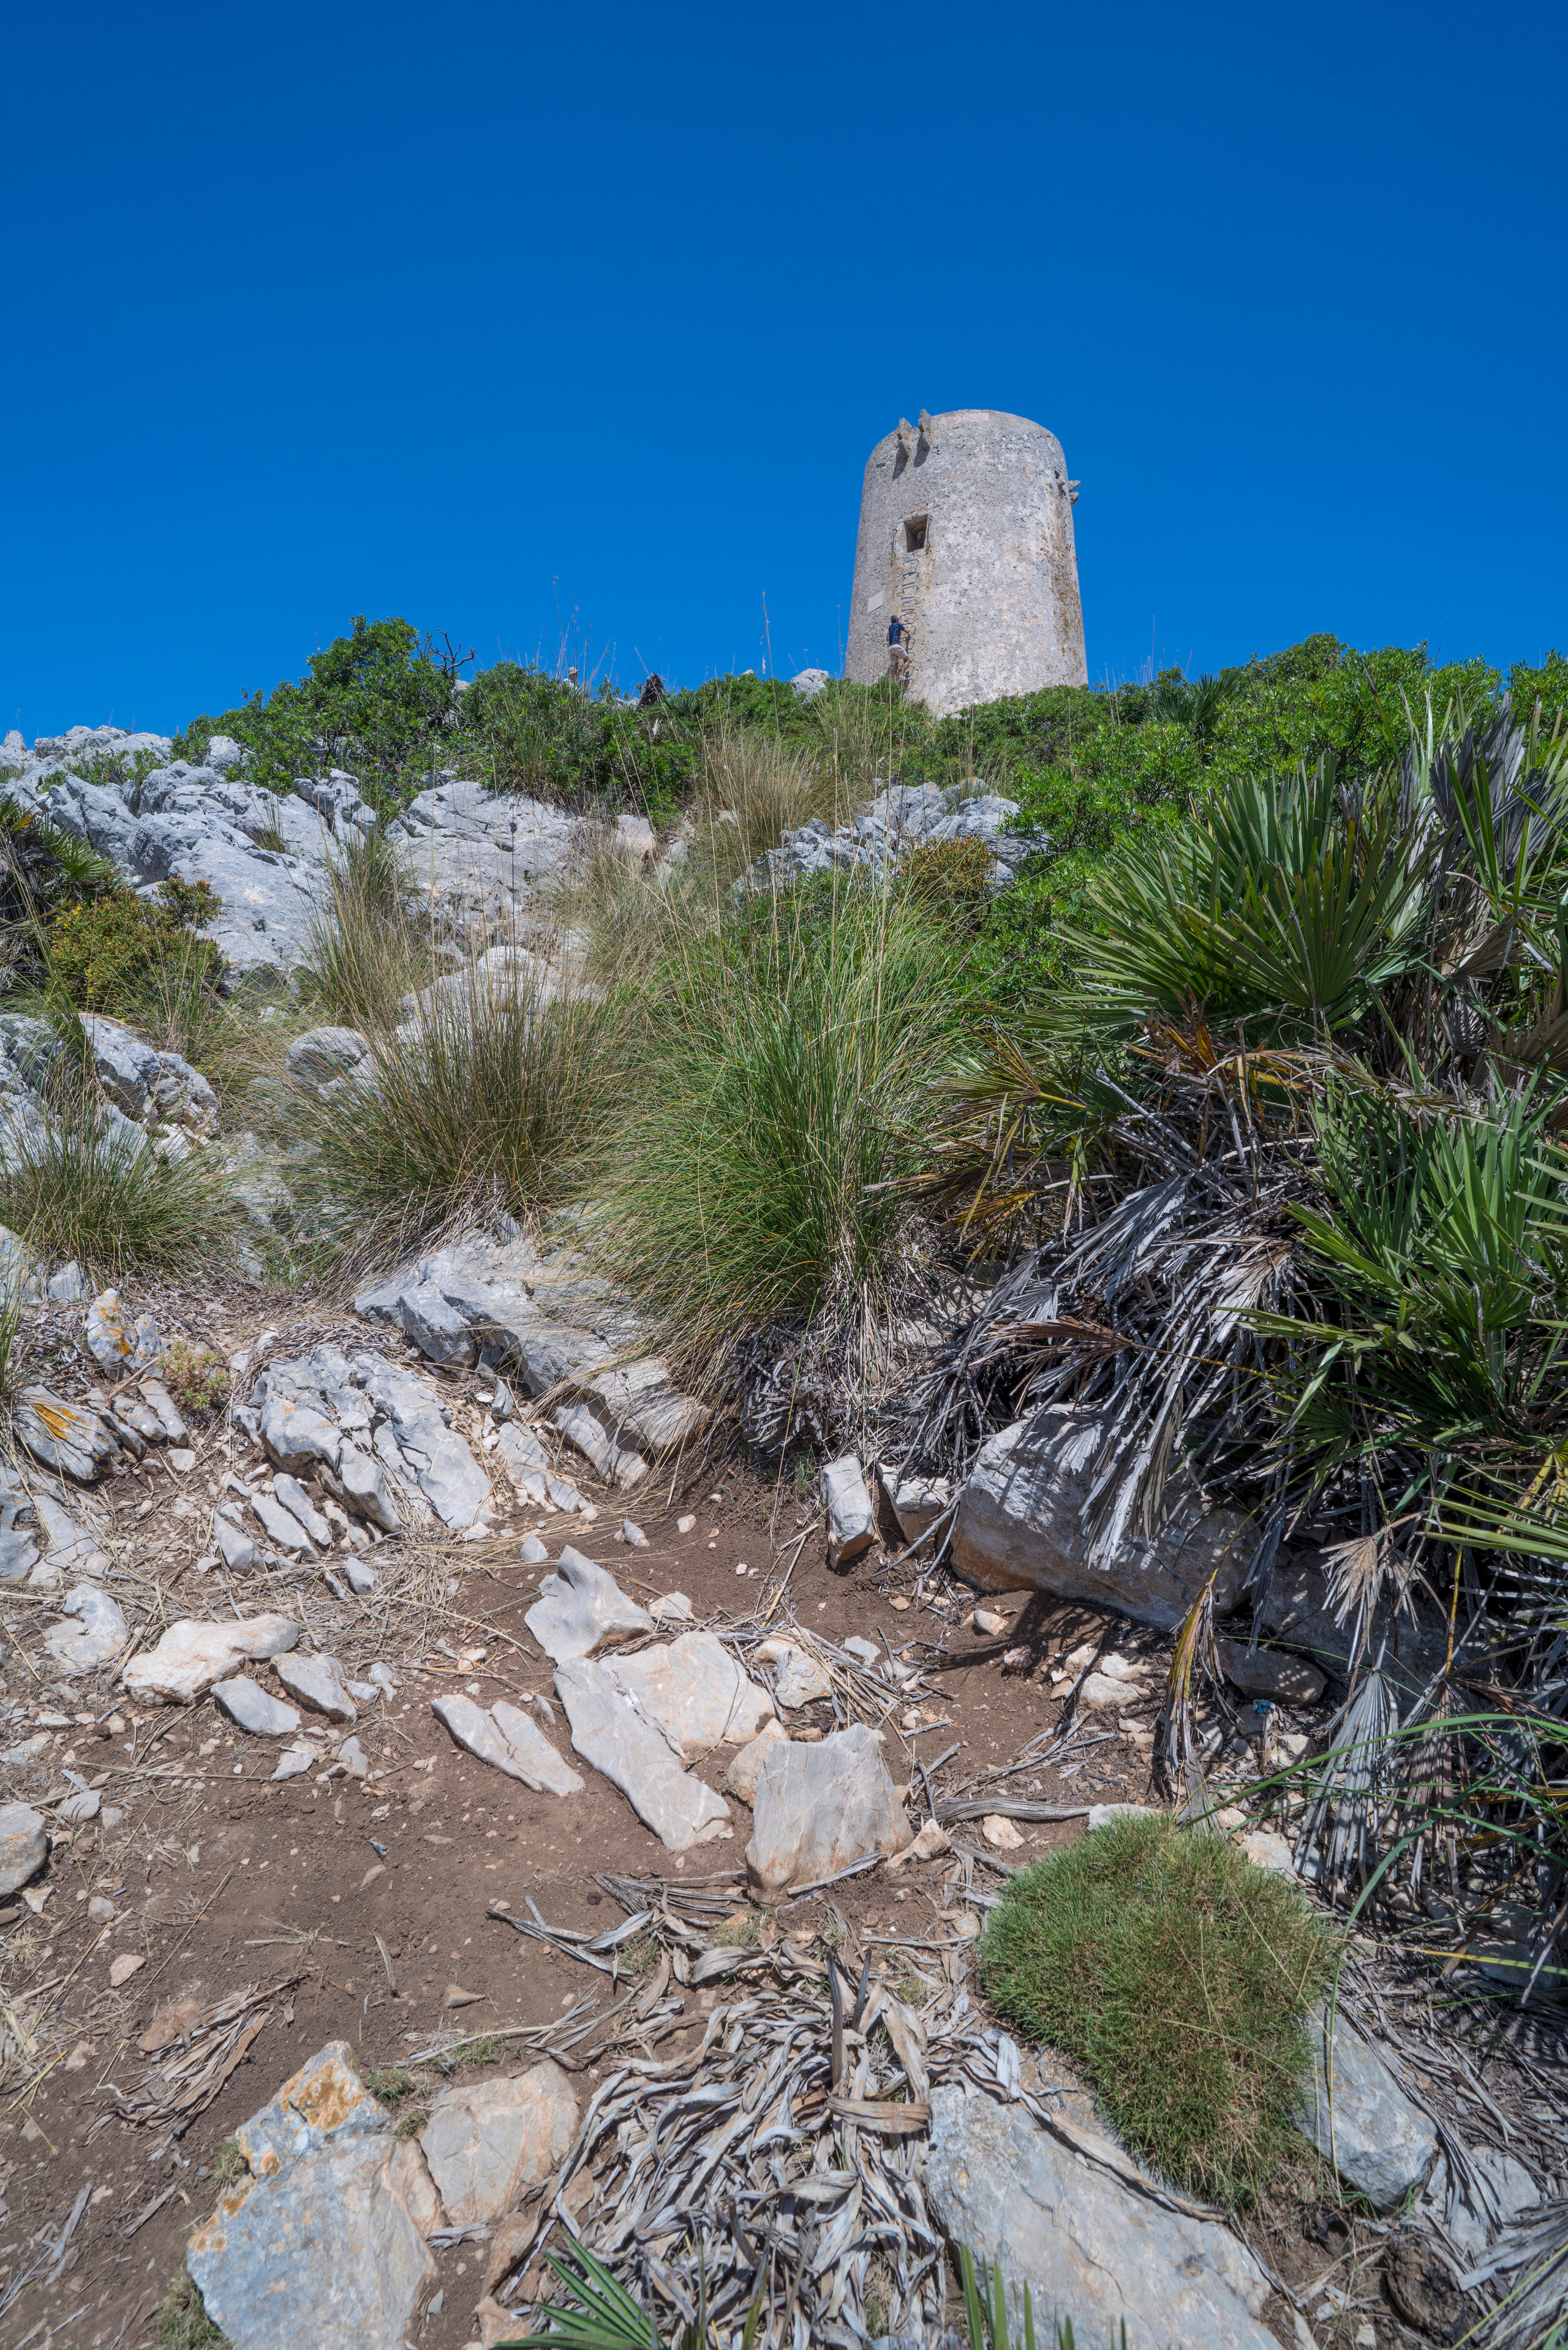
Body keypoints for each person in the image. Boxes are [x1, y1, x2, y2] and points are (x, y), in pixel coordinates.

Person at [887, 613, 911, 683]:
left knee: (895, 666)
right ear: (897, 620)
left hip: (890, 648)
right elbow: (907, 631)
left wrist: (898, 636)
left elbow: (887, 639)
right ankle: (901, 676)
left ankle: (894, 684)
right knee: (907, 660)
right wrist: (909, 627)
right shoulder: (898, 624)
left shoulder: (889, 627)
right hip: (896, 646)